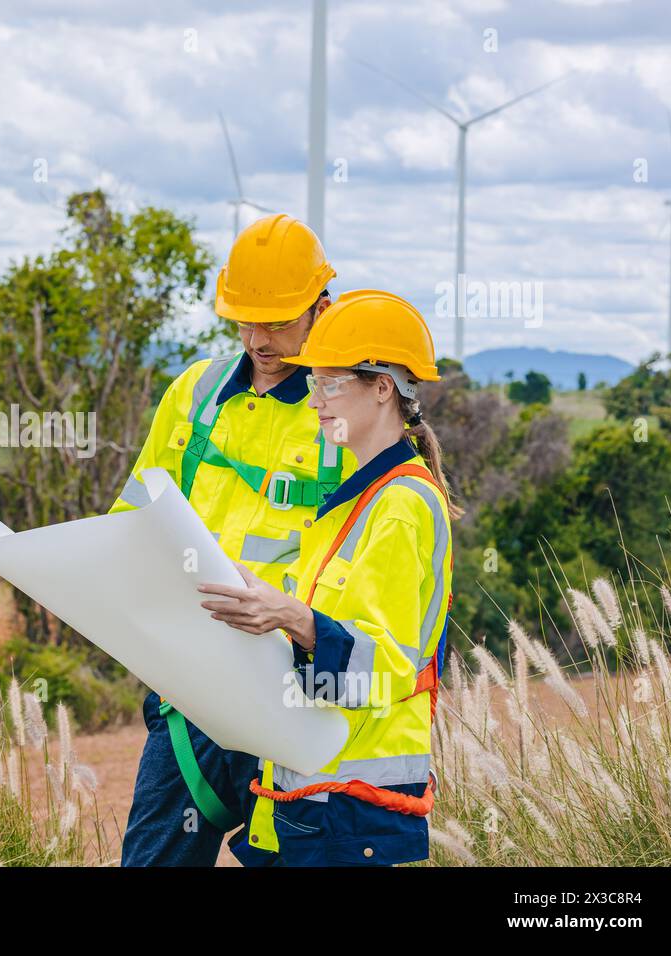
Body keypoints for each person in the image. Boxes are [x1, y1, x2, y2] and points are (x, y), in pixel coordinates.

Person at [112, 213, 357, 867]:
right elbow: (134, 515)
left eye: (275, 321)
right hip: (190, 689)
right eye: (244, 320)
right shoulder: (193, 395)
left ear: (321, 308)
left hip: (295, 699)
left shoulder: (351, 412)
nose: (257, 338)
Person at [197, 289, 460, 866]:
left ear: (382, 387)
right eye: (313, 383)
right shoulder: (348, 501)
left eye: (330, 384)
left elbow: (385, 665)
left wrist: (289, 615)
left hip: (357, 805)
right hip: (310, 792)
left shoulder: (402, 505)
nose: (314, 401)